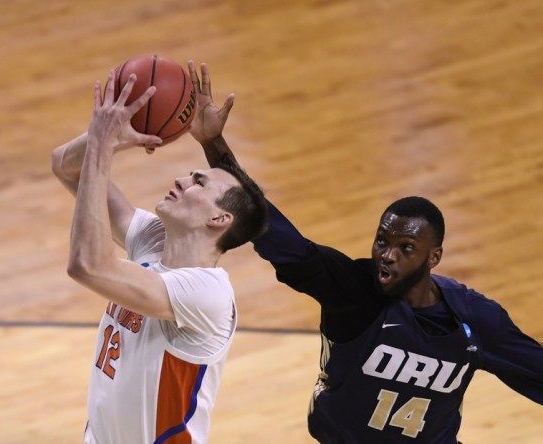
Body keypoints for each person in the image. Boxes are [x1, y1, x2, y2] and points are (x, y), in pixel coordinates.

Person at [187, 61, 543, 443]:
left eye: (405, 248)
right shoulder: (352, 292)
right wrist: (214, 143)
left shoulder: (474, 320)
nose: (387, 255)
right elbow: (273, 231)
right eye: (382, 241)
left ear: (433, 257)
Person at [51, 70, 268, 443]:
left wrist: (103, 147)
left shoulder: (207, 294)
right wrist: (114, 136)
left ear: (220, 219)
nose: (182, 180)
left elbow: (87, 265)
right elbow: (65, 166)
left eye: (198, 182)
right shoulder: (153, 239)